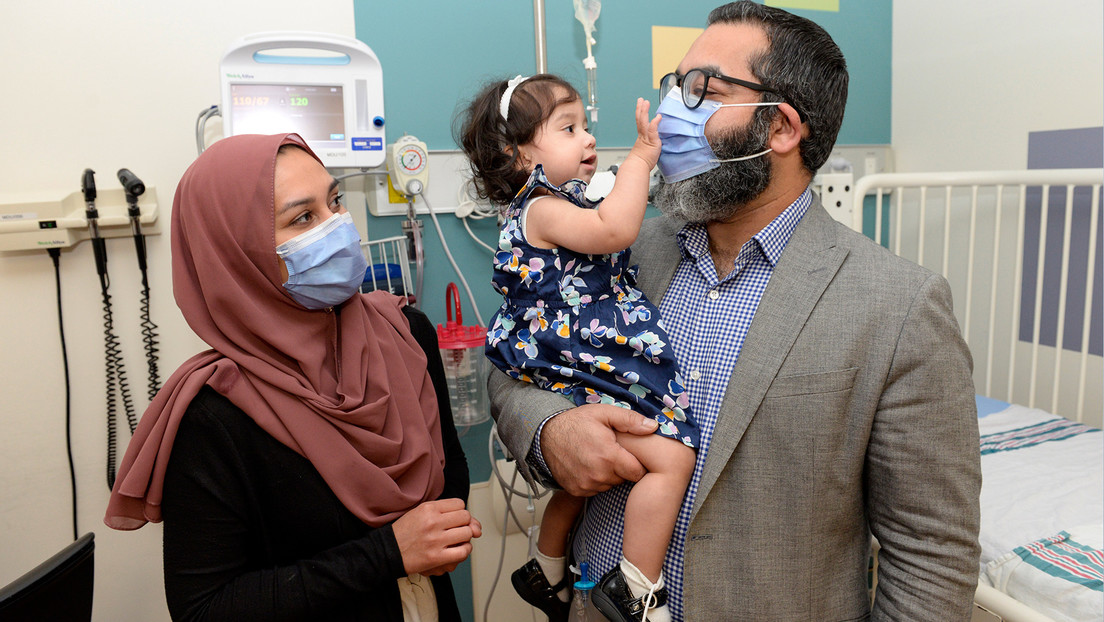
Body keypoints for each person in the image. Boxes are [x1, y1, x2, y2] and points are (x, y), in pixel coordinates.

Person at [490, 2, 982, 621]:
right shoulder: (619, 250)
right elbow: (513, 364)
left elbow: (931, 558)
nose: (670, 111)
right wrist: (549, 433)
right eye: (675, 85)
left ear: (779, 128)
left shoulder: (898, 309)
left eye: (703, 91)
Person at [103, 133, 481, 622]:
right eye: (303, 218)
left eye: (336, 202)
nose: (339, 228)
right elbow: (203, 608)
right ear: (238, 254)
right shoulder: (214, 416)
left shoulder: (407, 333)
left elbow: (450, 476)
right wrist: (388, 553)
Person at [457, 74, 698, 622]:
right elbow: (614, 229)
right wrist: (640, 158)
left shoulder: (553, 202)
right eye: (568, 128)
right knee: (671, 456)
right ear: (517, 155)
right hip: (577, 354)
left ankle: (545, 565)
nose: (588, 138)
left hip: (563, 355)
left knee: (592, 473)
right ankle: (636, 587)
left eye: (586, 126)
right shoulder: (540, 206)